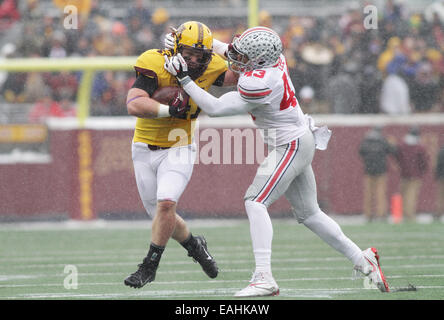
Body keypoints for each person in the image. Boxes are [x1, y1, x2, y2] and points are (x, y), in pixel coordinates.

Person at [164, 26, 390, 296]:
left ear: (259, 60)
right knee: (310, 214)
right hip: (297, 139)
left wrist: (184, 78)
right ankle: (361, 258)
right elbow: (231, 51)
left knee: (255, 201)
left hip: (290, 145)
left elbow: (214, 108)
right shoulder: (273, 59)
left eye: (245, 56)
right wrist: (195, 42)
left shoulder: (258, 82)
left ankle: (263, 277)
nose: (237, 58)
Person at [123, 21, 239, 289]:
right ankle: (195, 245)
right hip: (143, 148)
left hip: (179, 146)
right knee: (163, 217)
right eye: (189, 54)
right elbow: (133, 103)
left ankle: (149, 266)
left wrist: (222, 48)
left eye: (201, 55)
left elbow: (245, 74)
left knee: (166, 205)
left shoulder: (211, 67)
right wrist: (167, 110)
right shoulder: (155, 61)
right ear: (176, 47)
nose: (195, 60)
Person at [359, 126, 397, 222]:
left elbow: (360, 152)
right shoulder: (383, 141)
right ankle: (381, 214)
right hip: (381, 171)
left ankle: (368, 214)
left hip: (368, 171)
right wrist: (391, 142)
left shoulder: (366, 141)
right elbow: (393, 151)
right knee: (380, 194)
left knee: (368, 194)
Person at [395, 126, 429, 221]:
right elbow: (424, 161)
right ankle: (409, 215)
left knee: (403, 194)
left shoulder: (402, 145)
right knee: (411, 196)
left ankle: (402, 213)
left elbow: (398, 157)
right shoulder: (420, 147)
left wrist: (402, 168)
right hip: (415, 175)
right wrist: (422, 171)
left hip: (404, 174)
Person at [435, 145, 444, 221]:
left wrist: (437, 175)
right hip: (442, 176)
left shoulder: (441, 152)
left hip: (442, 176)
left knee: (441, 197)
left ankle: (439, 213)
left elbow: (439, 165)